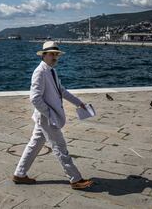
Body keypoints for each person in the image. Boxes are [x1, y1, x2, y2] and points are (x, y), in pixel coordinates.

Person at [12, 41, 94, 190]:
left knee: (34, 144)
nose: (55, 56)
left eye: (56, 54)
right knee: (60, 147)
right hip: (47, 118)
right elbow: (34, 98)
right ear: (44, 55)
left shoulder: (51, 70)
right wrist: (50, 114)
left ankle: (19, 174)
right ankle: (75, 179)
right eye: (51, 54)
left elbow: (61, 90)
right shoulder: (40, 72)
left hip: (45, 117)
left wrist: (79, 103)